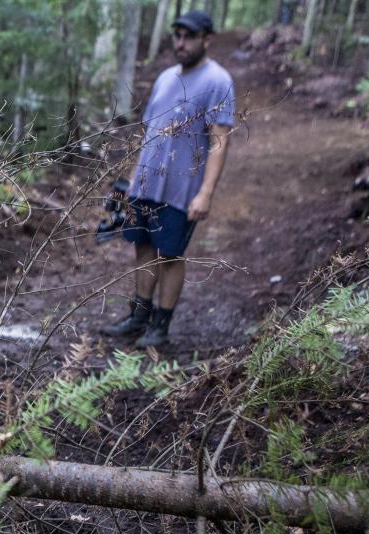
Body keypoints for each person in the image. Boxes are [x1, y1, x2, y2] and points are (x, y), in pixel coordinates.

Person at [101, 9, 235, 348]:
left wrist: (205, 193)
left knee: (170, 254)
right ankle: (138, 318)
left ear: (206, 39)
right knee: (143, 247)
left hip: (181, 189)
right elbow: (150, 135)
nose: (181, 42)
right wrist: (133, 180)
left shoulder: (218, 81)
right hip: (146, 184)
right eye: (178, 35)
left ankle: (161, 327)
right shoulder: (164, 78)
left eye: (189, 36)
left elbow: (219, 140)